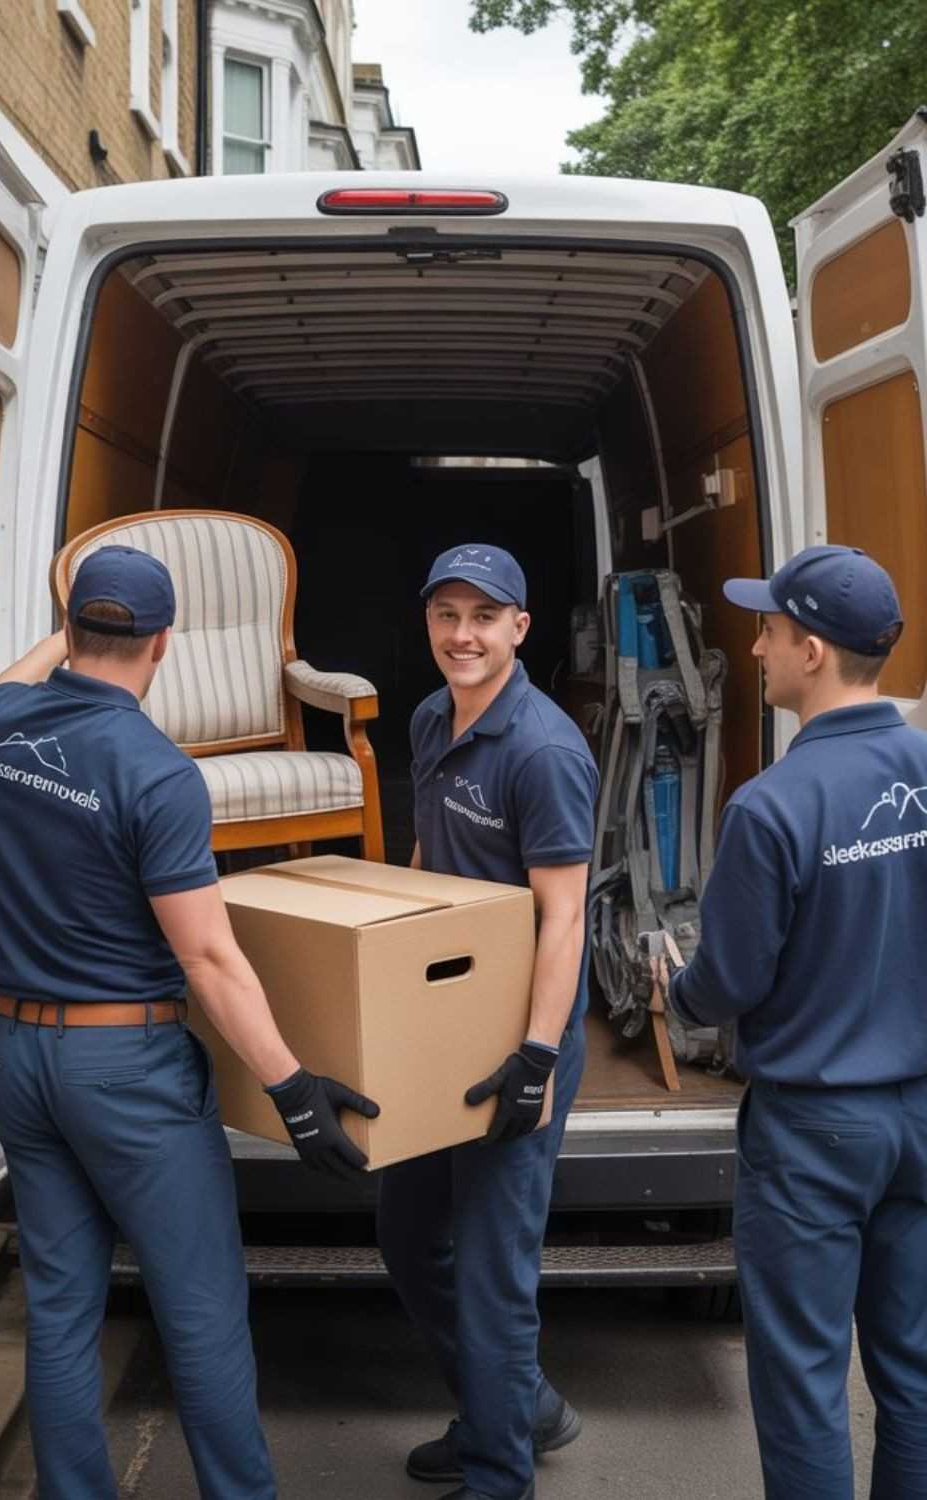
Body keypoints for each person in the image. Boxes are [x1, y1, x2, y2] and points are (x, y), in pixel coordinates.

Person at [0, 544, 378, 1500]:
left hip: (16, 1053)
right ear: (166, 643)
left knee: (59, 1306)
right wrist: (293, 1090)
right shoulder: (158, 772)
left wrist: (58, 646)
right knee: (202, 1311)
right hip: (124, 1067)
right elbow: (209, 958)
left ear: (75, 633)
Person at [666, 544, 927, 1500]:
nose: (757, 647)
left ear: (813, 651)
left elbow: (729, 980)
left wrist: (675, 995)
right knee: (916, 1375)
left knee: (806, 1384)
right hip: (921, 1116)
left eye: (770, 630)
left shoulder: (771, 806)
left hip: (815, 1133)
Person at [376, 544, 598, 1500]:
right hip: (445, 1016)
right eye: (445, 615)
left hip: (521, 1035)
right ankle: (513, 1408)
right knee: (407, 1232)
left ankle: (500, 1473)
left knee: (493, 1272)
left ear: (520, 627)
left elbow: (566, 915)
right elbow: (432, 851)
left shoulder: (545, 751)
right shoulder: (430, 718)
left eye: (483, 616)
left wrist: (536, 1060)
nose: (461, 635)